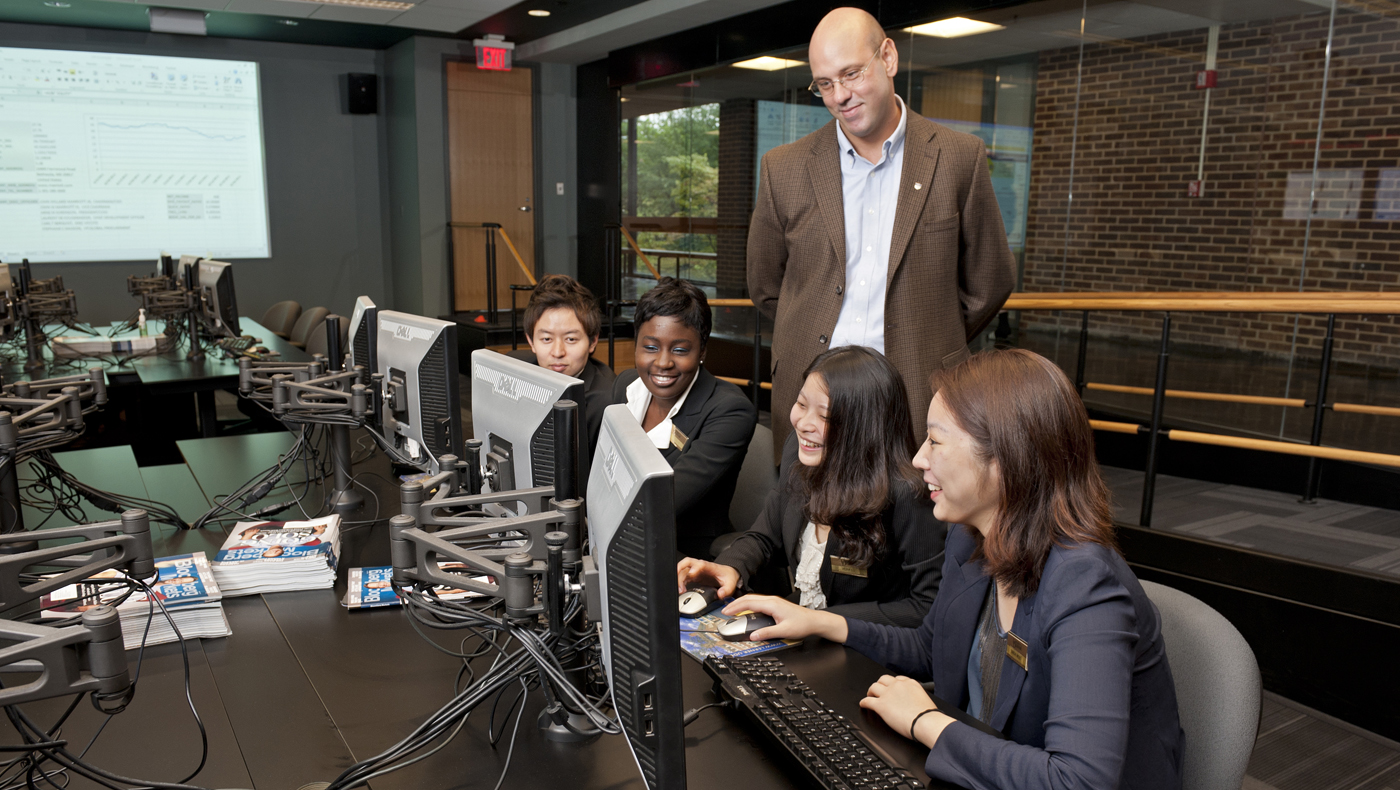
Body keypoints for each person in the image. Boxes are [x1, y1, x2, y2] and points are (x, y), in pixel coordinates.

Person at [724, 349, 1184, 790]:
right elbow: (931, 647)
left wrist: (926, 722)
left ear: (1006, 459)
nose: (919, 457)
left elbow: (1076, 779)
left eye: (936, 441)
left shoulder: (1086, 583)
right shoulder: (971, 538)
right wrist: (820, 621)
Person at [747, 7, 1016, 460]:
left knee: (911, 522)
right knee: (807, 525)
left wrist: (930, 336)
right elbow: (765, 285)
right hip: (812, 399)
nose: (840, 96)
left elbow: (990, 282)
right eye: (825, 84)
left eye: (851, 74)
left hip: (915, 395)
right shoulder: (784, 167)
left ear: (888, 58)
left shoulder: (957, 158)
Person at [677, 345, 944, 627]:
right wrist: (730, 567)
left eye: (825, 416)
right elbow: (765, 536)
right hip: (802, 628)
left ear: (865, 428)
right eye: (801, 405)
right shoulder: (799, 451)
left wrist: (817, 620)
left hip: (866, 649)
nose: (803, 424)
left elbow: (925, 607)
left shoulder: (909, 494)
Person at [612, 278, 756, 559]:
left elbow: (665, 500)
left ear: (702, 350)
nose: (663, 362)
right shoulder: (626, 385)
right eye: (650, 347)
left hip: (682, 553)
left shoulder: (729, 410)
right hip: (618, 538)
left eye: (679, 350)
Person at [506, 274, 616, 458]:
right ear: (531, 341)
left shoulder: (607, 402)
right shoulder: (515, 370)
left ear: (592, 341)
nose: (557, 352)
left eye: (571, 339)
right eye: (546, 339)